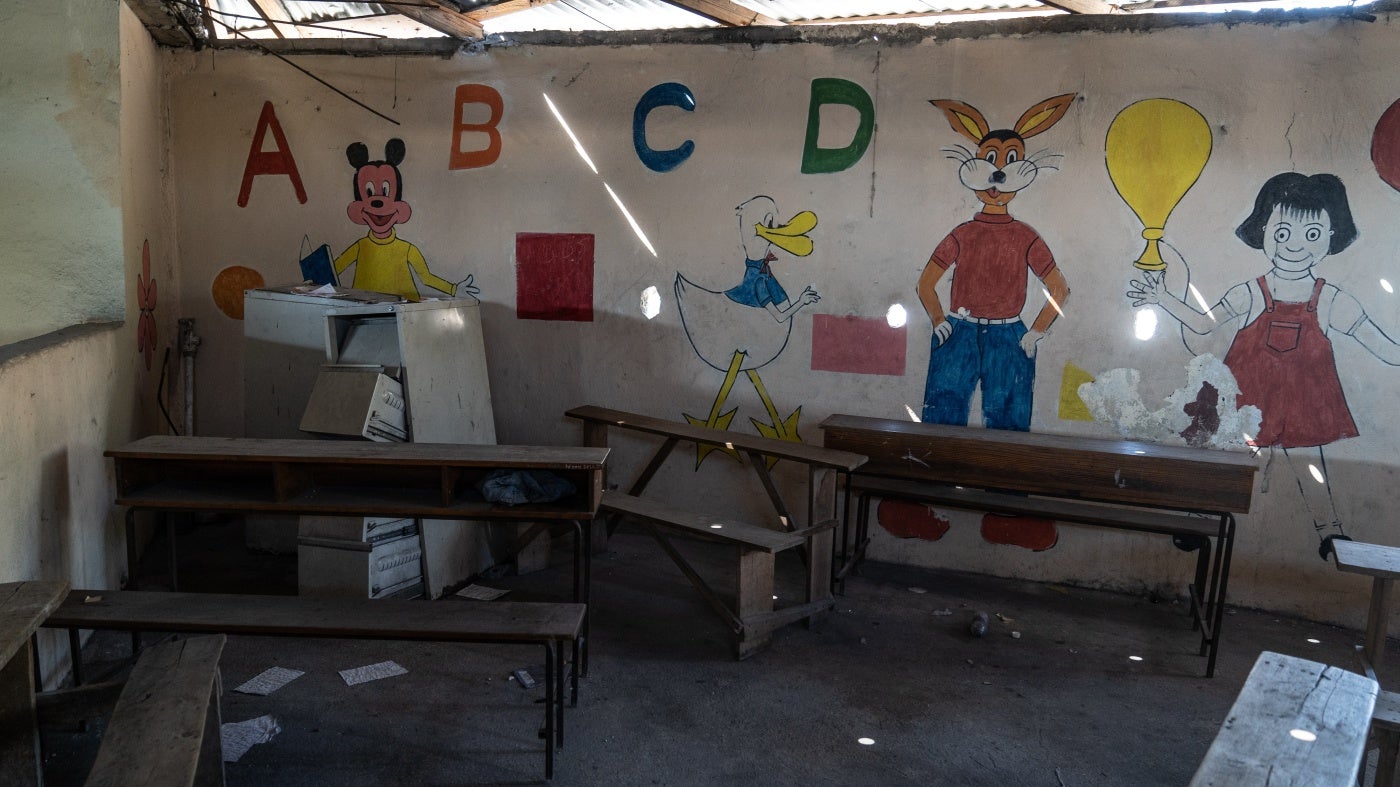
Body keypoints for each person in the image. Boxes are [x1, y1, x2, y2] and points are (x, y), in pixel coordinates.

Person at [1128, 172, 1400, 559]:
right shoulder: (1251, 293)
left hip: (1303, 404)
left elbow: (1384, 346)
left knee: (1310, 463)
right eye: (1283, 232)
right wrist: (1163, 299)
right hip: (1249, 401)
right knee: (1233, 462)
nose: (1295, 245)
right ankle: (1199, 515)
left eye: (1311, 234)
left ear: (1331, 237)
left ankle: (1330, 532)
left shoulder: (1331, 301)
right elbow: (1204, 323)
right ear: (1263, 231)